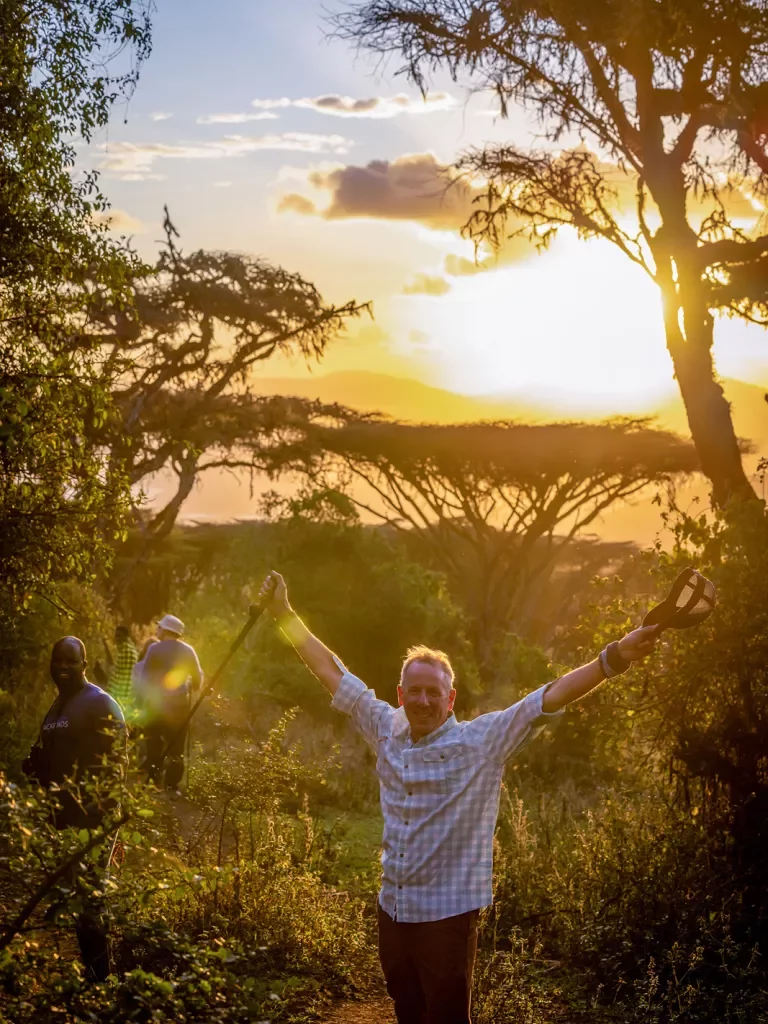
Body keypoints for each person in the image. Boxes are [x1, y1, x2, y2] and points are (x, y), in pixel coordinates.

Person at [257, 571, 660, 1024]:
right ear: (401, 695)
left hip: (446, 917)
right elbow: (331, 670)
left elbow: (547, 698)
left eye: (434, 693)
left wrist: (615, 657)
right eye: (415, 691)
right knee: (407, 1010)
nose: (423, 701)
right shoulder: (385, 727)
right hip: (392, 908)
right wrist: (284, 614)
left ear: (451, 699)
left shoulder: (481, 742)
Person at [22, 636, 126, 981]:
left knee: (90, 902)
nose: (63, 668)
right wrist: (38, 766)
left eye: (70, 661)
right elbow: (59, 763)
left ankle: (102, 980)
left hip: (92, 821)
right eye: (58, 662)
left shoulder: (99, 703)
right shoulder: (56, 707)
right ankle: (95, 976)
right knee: (80, 903)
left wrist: (102, 820)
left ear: (85, 663)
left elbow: (115, 763)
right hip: (63, 822)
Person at [140, 613, 203, 791]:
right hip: (179, 706)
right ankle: (172, 784)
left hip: (155, 705)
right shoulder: (188, 650)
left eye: (159, 627)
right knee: (176, 747)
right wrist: (194, 685)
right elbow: (198, 679)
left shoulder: (154, 650)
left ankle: (154, 780)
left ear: (166, 630)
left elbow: (144, 678)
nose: (157, 630)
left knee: (154, 743)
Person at [102, 625, 138, 720]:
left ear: (126, 637)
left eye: (119, 636)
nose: (116, 638)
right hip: (126, 698)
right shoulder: (128, 649)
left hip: (122, 697)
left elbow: (117, 677)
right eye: (116, 636)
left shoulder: (126, 651)